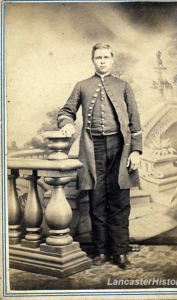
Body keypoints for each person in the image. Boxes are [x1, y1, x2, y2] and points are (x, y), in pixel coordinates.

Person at [57, 43, 142, 270]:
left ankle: (120, 252)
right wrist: (66, 124)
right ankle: (102, 251)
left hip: (120, 148)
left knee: (120, 201)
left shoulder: (123, 86)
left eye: (106, 57)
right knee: (97, 201)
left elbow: (135, 122)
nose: (102, 61)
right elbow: (66, 111)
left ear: (112, 60)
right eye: (98, 58)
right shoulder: (82, 85)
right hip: (92, 149)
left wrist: (136, 150)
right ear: (92, 60)